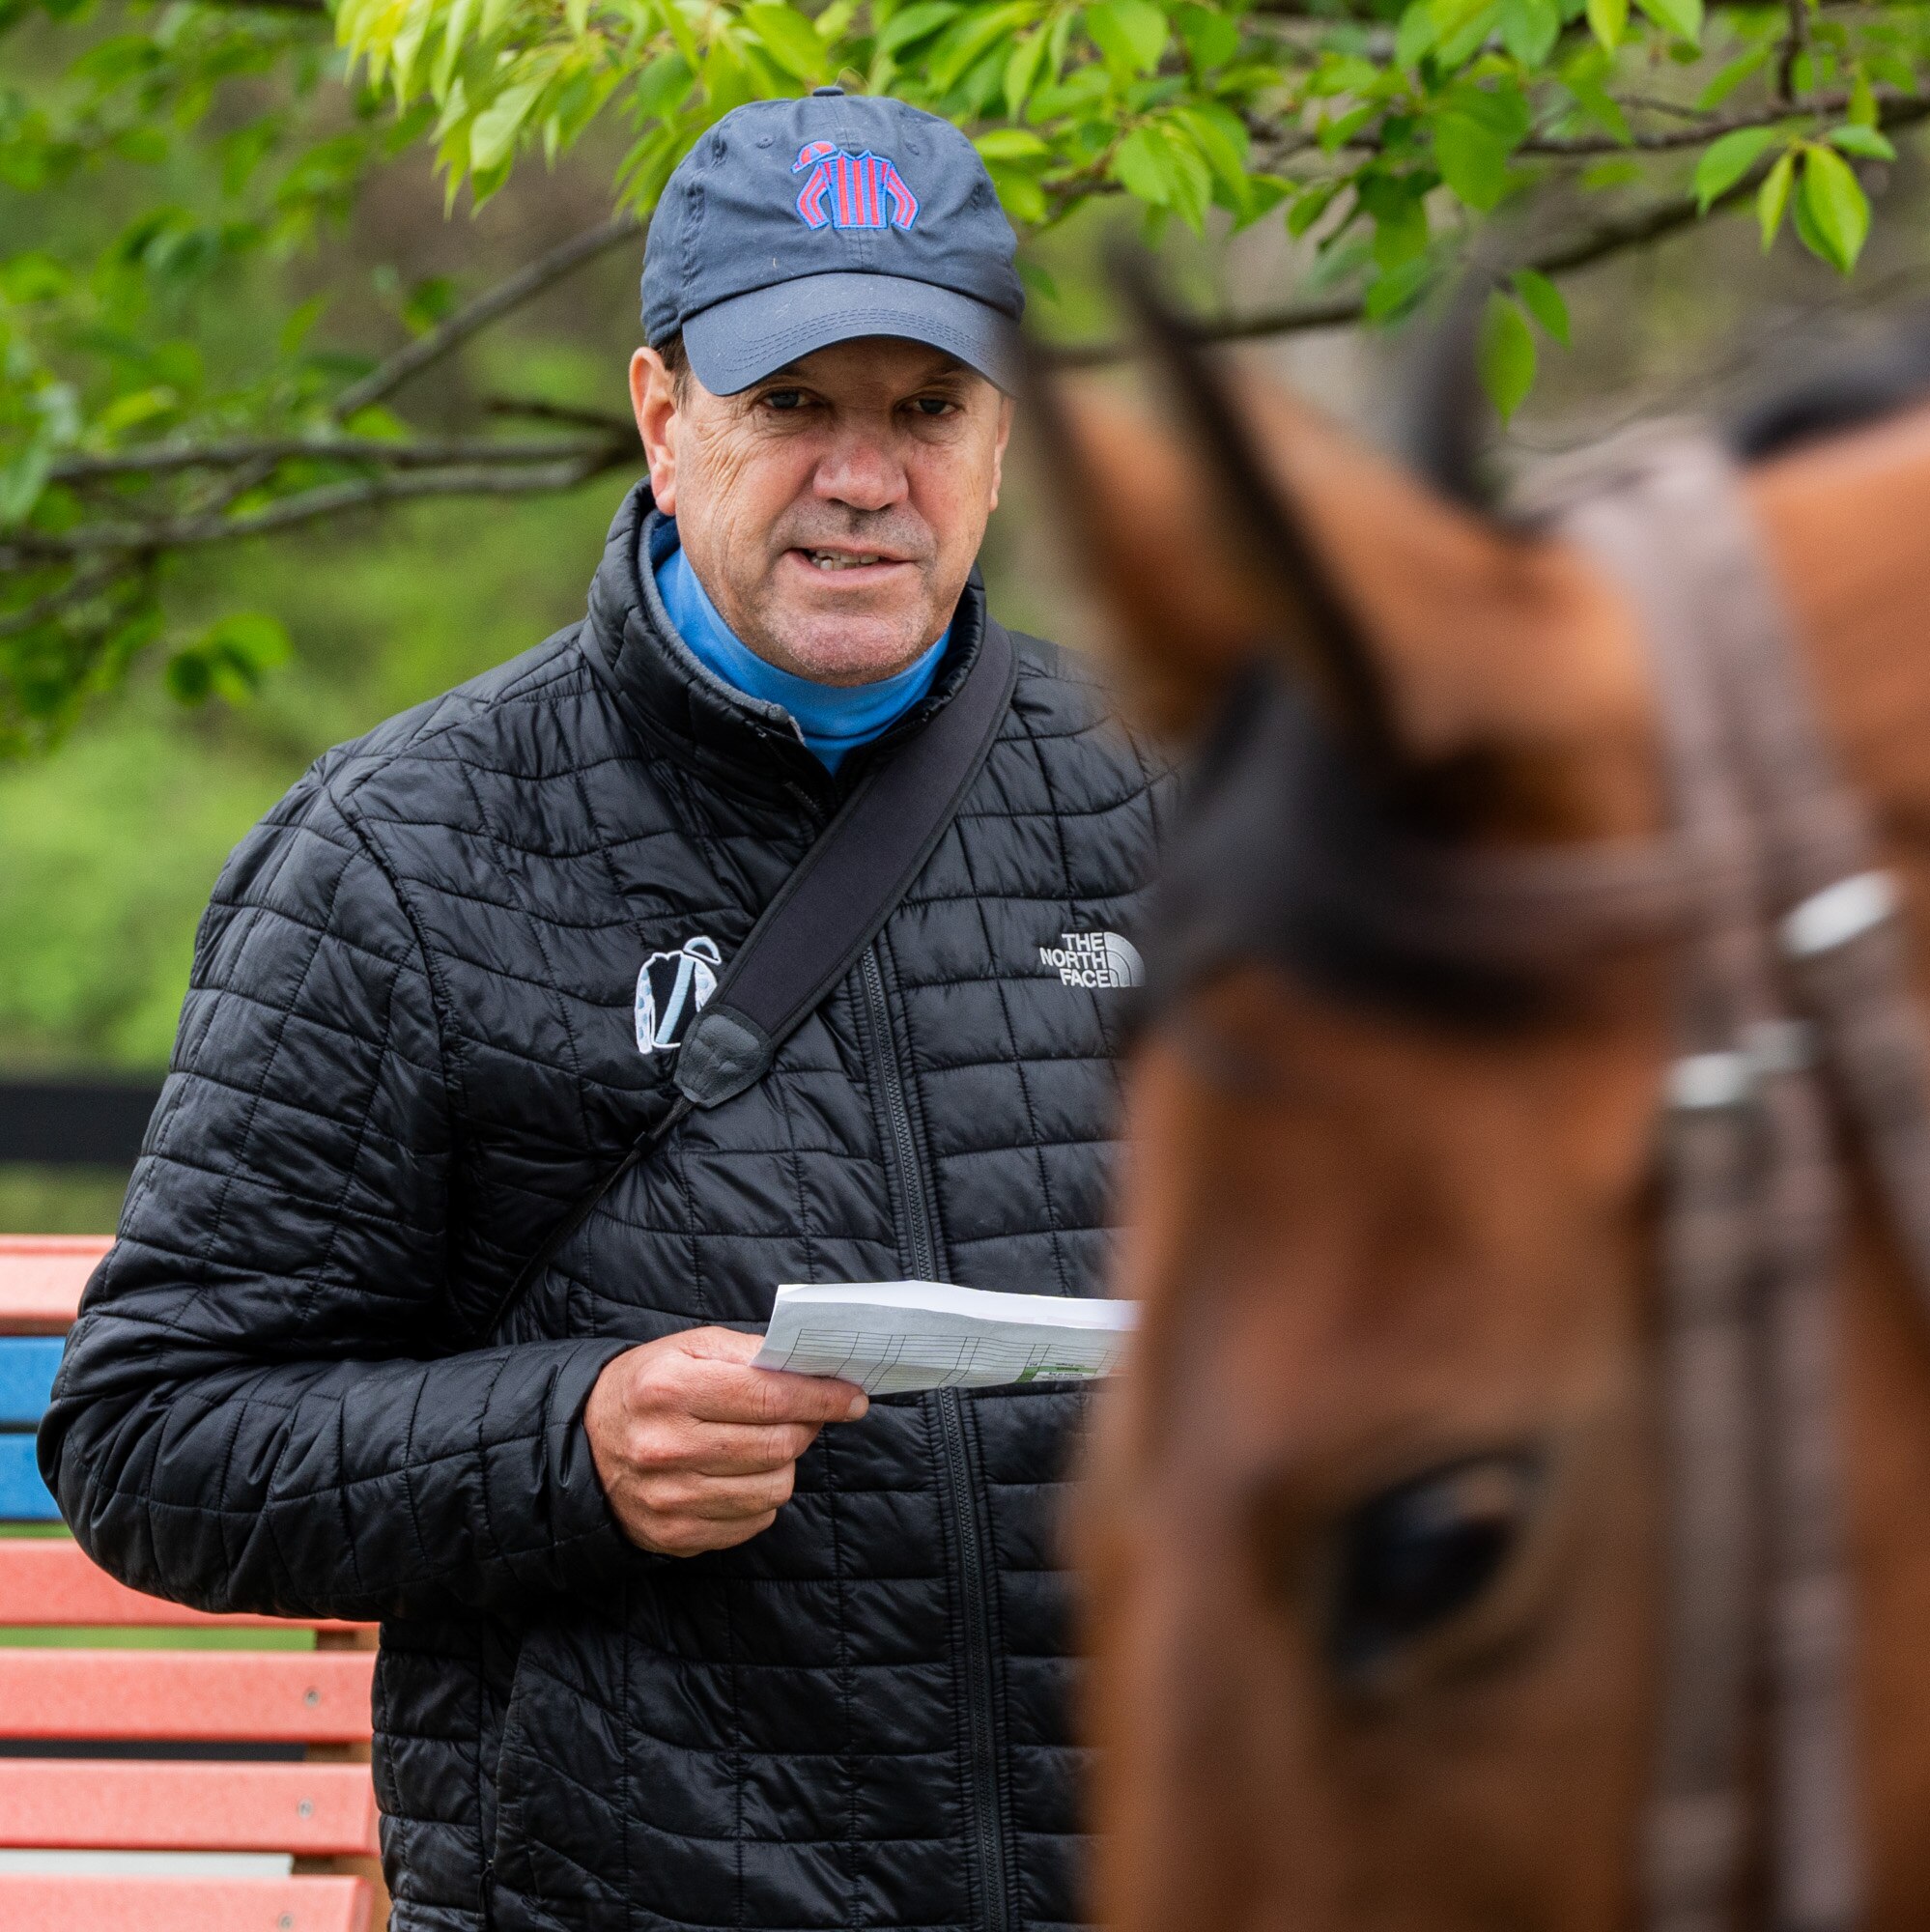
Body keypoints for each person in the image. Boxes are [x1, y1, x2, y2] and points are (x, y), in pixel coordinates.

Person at [41, 87, 1165, 1932]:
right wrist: (566, 1445)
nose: (865, 477)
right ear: (662, 416)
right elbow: (149, 1436)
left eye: (925, 410)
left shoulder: (1157, 792)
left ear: (1001, 434)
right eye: (792, 405)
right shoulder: (400, 854)